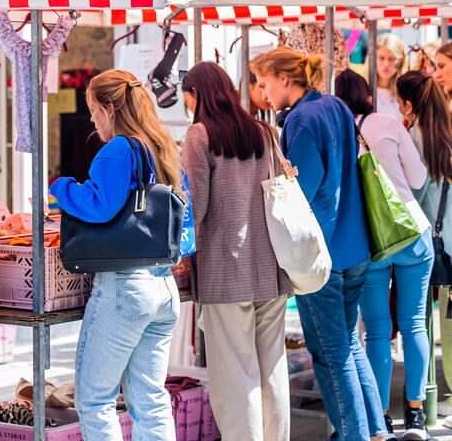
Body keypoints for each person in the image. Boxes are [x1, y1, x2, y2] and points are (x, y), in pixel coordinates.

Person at [251, 47, 388, 441]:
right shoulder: (337, 107)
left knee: (331, 355)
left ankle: (354, 434)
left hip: (321, 253)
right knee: (347, 345)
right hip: (355, 243)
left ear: (283, 78)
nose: (263, 94)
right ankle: (374, 430)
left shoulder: (302, 119)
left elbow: (300, 191)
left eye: (264, 83)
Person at [50, 69, 183, 441]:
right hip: (162, 284)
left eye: (93, 110)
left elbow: (101, 206)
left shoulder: (119, 149)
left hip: (125, 288)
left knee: (94, 401)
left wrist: (62, 187)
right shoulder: (159, 143)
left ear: (109, 107)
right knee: (151, 400)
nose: (91, 119)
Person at [181, 62, 291, 441]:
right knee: (271, 369)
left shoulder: (199, 135)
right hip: (272, 266)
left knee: (235, 375)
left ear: (195, 94)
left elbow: (193, 209)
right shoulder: (265, 131)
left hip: (224, 271)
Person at [335, 69, 432, 440]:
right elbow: (420, 179)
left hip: (369, 241)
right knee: (413, 323)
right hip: (410, 232)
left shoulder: (337, 131)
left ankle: (381, 418)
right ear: (369, 98)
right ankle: (418, 415)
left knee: (375, 332)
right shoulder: (388, 122)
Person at [397, 71, 452, 432]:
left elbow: (411, 193)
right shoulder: (446, 135)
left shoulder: (410, 138)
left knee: (418, 322)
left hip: (422, 243)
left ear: (408, 104)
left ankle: (420, 409)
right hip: (449, 243)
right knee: (447, 327)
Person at [376, 34, 408, 117]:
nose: (386, 64)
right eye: (381, 58)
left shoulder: (405, 93)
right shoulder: (362, 90)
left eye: (391, 59)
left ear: (401, 61)